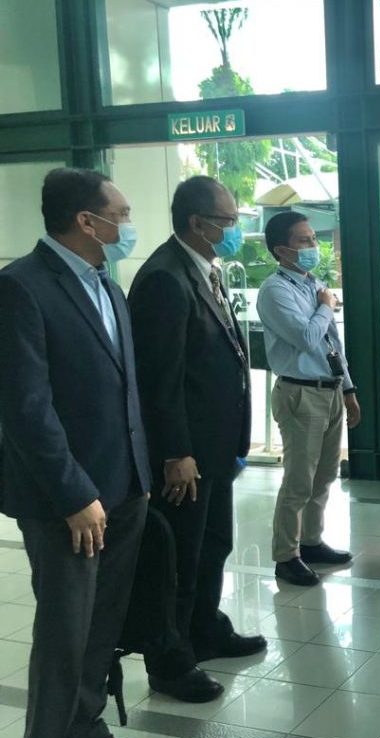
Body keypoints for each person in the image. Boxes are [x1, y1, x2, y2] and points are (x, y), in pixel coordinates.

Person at [0, 168, 151, 738]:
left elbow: (122, 387)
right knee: (64, 635)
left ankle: (85, 731)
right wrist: (73, 494)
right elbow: (25, 408)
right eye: (122, 214)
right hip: (67, 501)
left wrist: (139, 473)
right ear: (87, 221)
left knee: (101, 626)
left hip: (123, 487)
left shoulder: (108, 286)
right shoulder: (21, 287)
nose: (128, 224)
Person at [128, 176, 265, 703]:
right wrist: (176, 452)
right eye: (228, 221)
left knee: (213, 544)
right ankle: (170, 661)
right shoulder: (165, 278)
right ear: (197, 223)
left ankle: (205, 628)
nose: (235, 229)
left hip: (216, 448)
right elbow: (159, 379)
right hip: (187, 454)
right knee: (179, 559)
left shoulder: (203, 269)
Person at [256, 211, 361, 587]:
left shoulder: (314, 285)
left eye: (314, 238)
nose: (314, 245)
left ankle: (311, 541)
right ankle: (286, 555)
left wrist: (348, 389)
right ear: (281, 250)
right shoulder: (275, 291)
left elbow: (332, 343)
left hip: (329, 389)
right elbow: (305, 337)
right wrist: (326, 306)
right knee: (299, 479)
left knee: (325, 475)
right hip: (299, 392)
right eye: (304, 240)